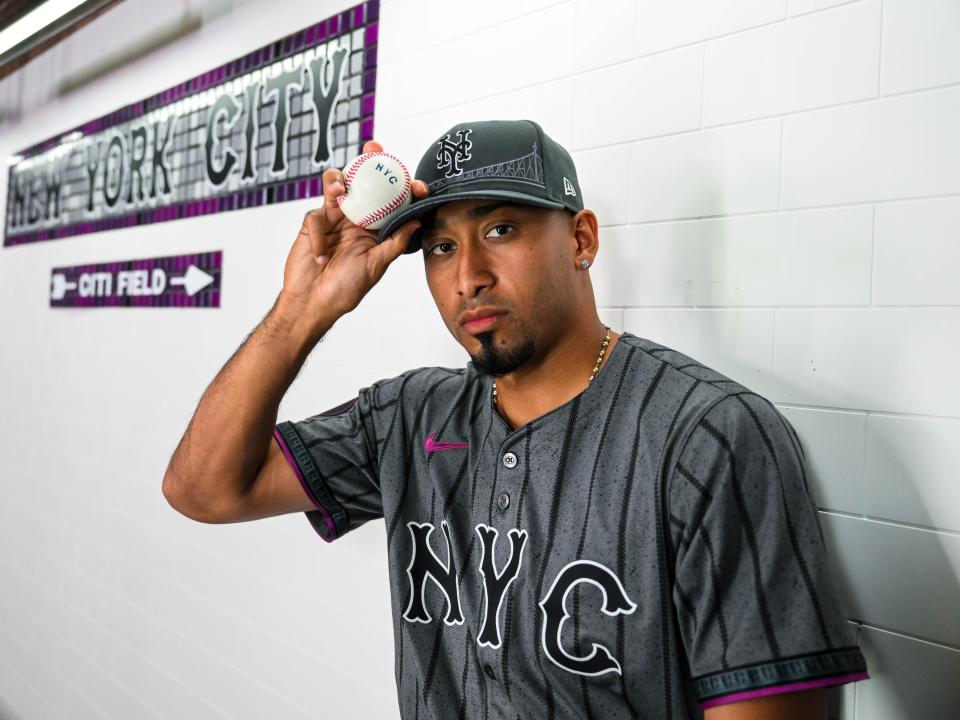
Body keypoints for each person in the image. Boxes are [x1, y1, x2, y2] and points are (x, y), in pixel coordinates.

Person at [162, 119, 869, 719]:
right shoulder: (409, 416)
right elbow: (205, 490)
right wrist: (305, 307)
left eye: (502, 228)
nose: (468, 273)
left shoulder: (708, 435)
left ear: (582, 240)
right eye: (440, 247)